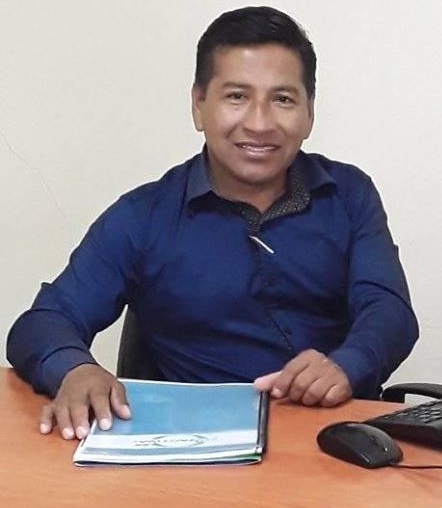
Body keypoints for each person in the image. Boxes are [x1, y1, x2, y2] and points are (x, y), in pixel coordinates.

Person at [7, 6, 418, 440]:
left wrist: (346, 365)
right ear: (199, 106)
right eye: (237, 96)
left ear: (309, 113)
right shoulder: (143, 216)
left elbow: (389, 310)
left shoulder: (349, 194)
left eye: (282, 99)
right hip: (198, 447)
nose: (259, 123)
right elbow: (43, 321)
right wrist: (75, 369)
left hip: (335, 437)